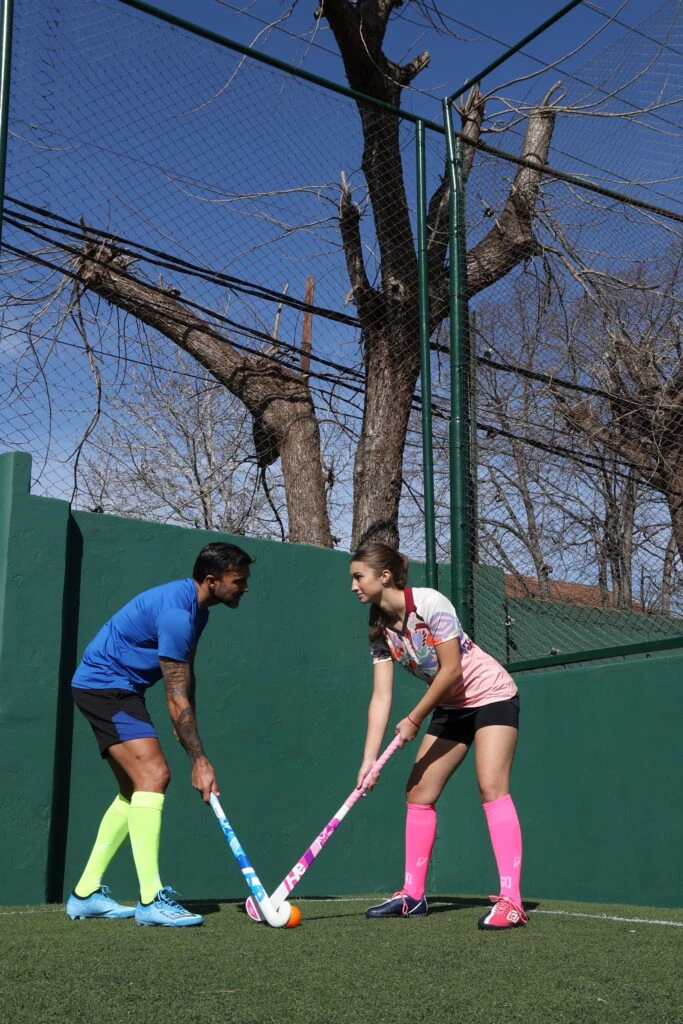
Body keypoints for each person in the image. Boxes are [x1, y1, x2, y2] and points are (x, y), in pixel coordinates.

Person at [65, 541, 253, 928]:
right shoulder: (177, 615)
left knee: (134, 791)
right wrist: (198, 760)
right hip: (105, 687)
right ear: (211, 580)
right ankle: (151, 899)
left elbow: (185, 680)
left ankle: (85, 893)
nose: (244, 587)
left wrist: (187, 734)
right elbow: (175, 693)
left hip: (120, 689)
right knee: (154, 776)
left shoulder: (198, 611)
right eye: (239, 581)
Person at [350, 542, 527, 930]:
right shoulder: (379, 627)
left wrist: (414, 717)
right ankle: (412, 897)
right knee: (418, 793)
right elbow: (381, 696)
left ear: (384, 576)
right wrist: (369, 759)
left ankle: (511, 901)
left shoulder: (430, 603)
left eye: (358, 577)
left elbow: (451, 670)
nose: (353, 586)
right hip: (450, 706)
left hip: (491, 695)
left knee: (491, 786)